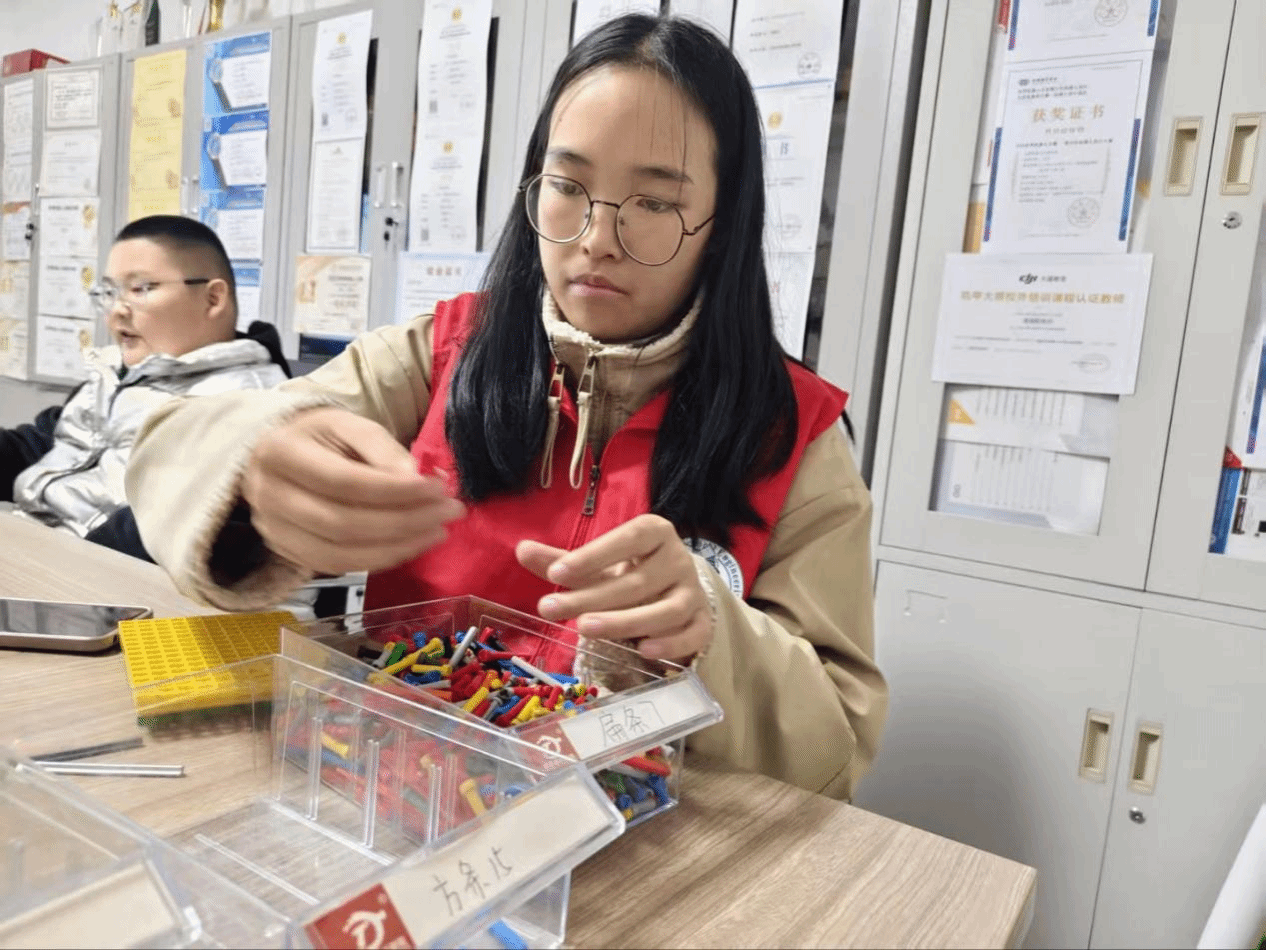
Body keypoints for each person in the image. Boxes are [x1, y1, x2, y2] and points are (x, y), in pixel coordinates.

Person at [126, 15, 887, 799]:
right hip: (398, 804)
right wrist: (256, 463)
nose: (597, 238)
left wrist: (714, 633)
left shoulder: (795, 432)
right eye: (567, 187)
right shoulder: (441, 354)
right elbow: (173, 447)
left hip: (642, 844)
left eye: (656, 203)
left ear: (721, 229)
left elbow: (838, 740)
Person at [0, 215, 290, 561]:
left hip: (102, 579)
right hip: (40, 555)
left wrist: (41, 559)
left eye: (140, 289)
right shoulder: (120, 373)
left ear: (213, 299)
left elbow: (162, 532)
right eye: (110, 292)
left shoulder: (245, 407)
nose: (117, 311)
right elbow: (47, 446)